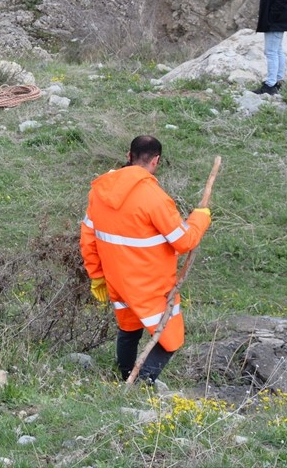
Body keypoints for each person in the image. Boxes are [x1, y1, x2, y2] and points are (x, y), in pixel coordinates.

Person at [79, 136, 212, 385]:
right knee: (171, 338)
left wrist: (96, 275)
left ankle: (125, 378)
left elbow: (88, 236)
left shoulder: (100, 190)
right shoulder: (154, 197)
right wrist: (200, 218)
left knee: (128, 330)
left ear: (129, 155)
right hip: (149, 284)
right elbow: (183, 241)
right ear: (155, 160)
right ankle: (141, 384)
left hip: (117, 279)